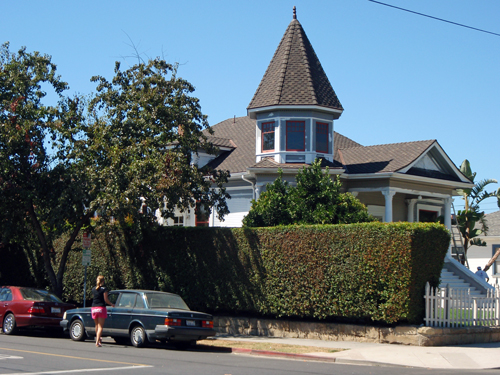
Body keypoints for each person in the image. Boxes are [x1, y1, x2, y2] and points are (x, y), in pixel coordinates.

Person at [91, 275, 114, 347]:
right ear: (103, 281)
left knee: (96, 325)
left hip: (94, 308)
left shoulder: (93, 289)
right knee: (100, 326)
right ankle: (97, 342)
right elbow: (106, 300)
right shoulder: (104, 289)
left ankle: (98, 339)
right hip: (101, 308)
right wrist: (111, 304)